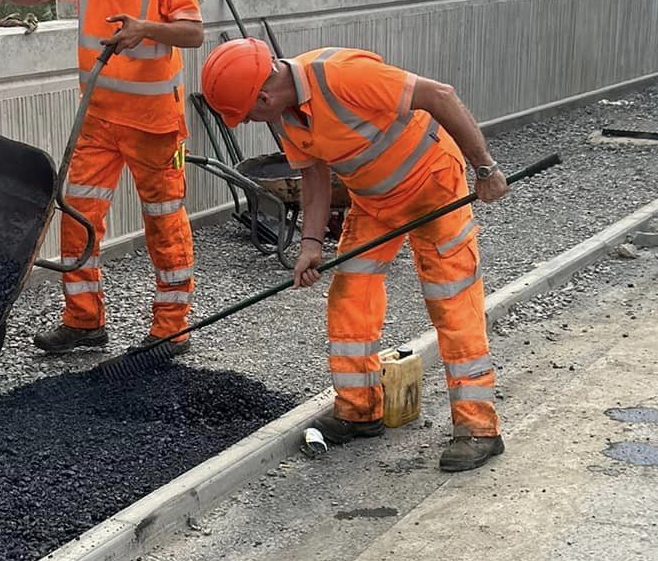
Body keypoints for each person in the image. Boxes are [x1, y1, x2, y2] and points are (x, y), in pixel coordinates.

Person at [199, 39, 509, 473]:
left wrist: (485, 168)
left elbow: (440, 95)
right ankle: (360, 410)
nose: (251, 121)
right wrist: (309, 245)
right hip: (373, 202)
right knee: (349, 298)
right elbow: (313, 175)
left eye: (249, 113)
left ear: (264, 96)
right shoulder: (286, 118)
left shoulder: (343, 75)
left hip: (434, 188)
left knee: (452, 302)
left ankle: (478, 428)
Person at [0, 0, 204, 354]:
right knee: (76, 215)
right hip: (98, 120)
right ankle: (83, 321)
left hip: (154, 126)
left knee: (164, 221)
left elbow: (194, 31)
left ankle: (171, 327)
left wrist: (146, 28)